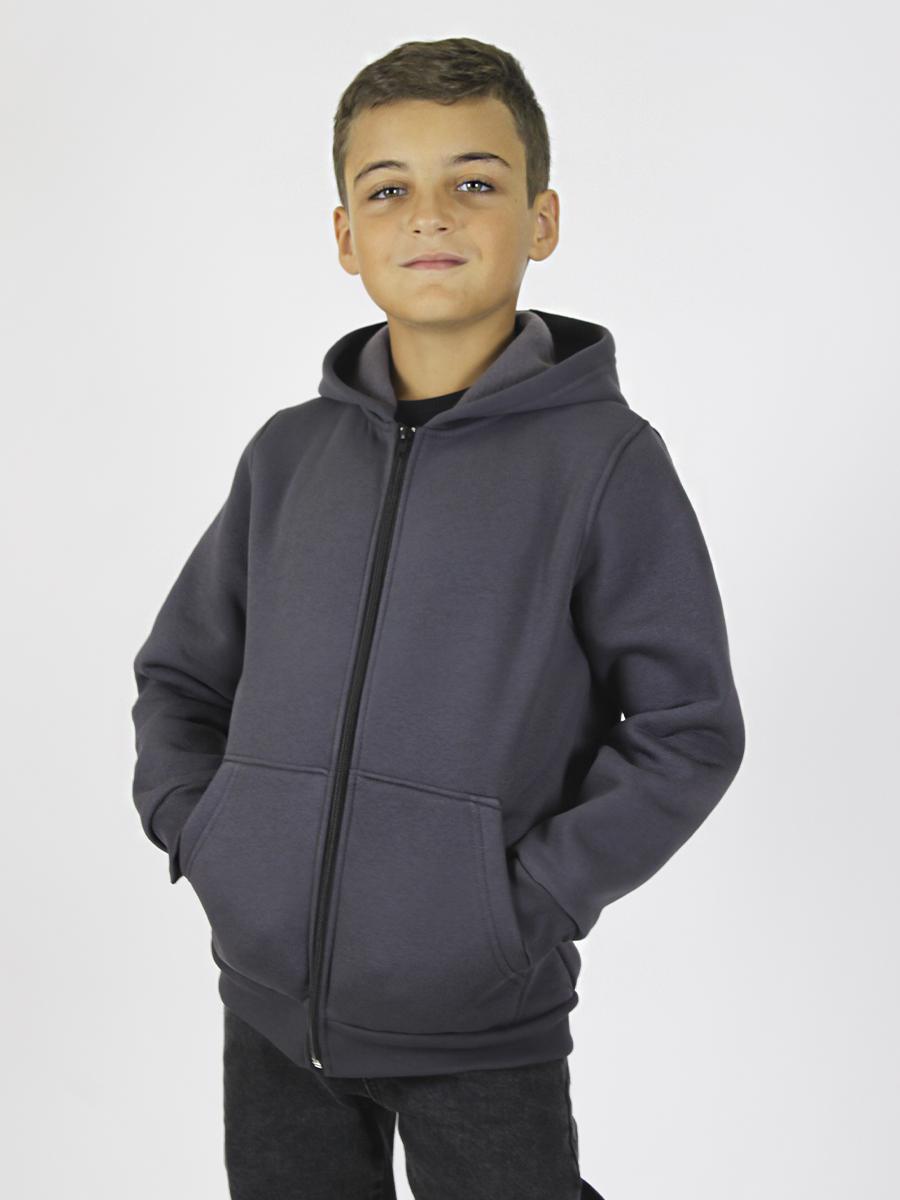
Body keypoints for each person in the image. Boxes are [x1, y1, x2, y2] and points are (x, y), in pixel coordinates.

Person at [130, 35, 744, 1200]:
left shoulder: (604, 463)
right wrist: (206, 835)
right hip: (270, 1010)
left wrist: (519, 909)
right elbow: (182, 677)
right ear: (344, 235)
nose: (430, 216)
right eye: (387, 190)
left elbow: (688, 730)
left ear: (541, 220)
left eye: (474, 181)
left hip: (479, 1024)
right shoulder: (288, 457)